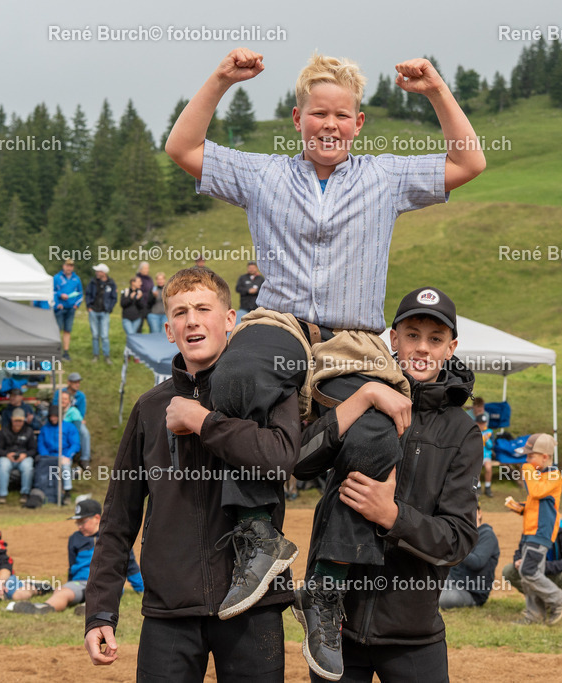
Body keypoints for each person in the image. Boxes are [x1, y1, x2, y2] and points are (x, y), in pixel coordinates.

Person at [165, 49, 485, 658]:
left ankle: (328, 588)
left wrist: (437, 89)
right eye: (319, 114)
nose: (330, 125)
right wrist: (222, 80)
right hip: (281, 323)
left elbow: (470, 159)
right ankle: (259, 535)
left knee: (376, 439)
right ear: (297, 118)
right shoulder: (263, 176)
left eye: (342, 115)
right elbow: (183, 148)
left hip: (353, 339)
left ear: (358, 123)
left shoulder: (386, 177)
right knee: (239, 370)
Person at [84, 268, 299, 681]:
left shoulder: (267, 391)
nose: (192, 320)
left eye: (203, 308)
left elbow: (280, 459)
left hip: (253, 605)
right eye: (181, 312)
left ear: (231, 320)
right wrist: (100, 612)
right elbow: (118, 519)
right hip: (169, 610)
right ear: (168, 329)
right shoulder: (149, 409)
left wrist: (203, 421)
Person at [292, 286, 481, 680]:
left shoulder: (462, 432)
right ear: (393, 339)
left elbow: (458, 540)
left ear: (452, 347)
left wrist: (392, 516)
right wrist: (362, 396)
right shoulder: (357, 395)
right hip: (336, 628)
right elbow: (300, 462)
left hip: (413, 634)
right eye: (412, 335)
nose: (422, 348)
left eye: (435, 339)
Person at [9, 499, 143, 615]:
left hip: (107, 582)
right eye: (77, 523)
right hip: (81, 582)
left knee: (107, 592)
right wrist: (69, 584)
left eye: (82, 522)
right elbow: (72, 566)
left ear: (97, 518)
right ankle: (44, 607)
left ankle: (88, 608)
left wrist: (141, 589)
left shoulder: (114, 537)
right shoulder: (75, 538)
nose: (79, 526)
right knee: (63, 591)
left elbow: (130, 565)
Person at [504, 432, 562, 626]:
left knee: (528, 571)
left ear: (545, 457)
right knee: (528, 575)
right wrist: (519, 507)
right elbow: (535, 503)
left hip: (541, 533)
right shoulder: (539, 476)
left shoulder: (553, 476)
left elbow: (536, 492)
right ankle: (534, 615)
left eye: (531, 456)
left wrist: (527, 470)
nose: (527, 460)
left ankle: (558, 598)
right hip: (530, 531)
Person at [502, 519, 562, 618]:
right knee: (509, 571)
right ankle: (539, 602)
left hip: (557, 574)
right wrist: (518, 560)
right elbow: (520, 551)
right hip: (535, 573)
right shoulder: (531, 527)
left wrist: (543, 566)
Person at [439, 503, 500, 610]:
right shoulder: (463, 535)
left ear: (479, 513)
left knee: (440, 599)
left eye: (472, 511)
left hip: (472, 592)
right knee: (424, 589)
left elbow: (477, 562)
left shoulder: (487, 535)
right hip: (452, 582)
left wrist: (455, 548)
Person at [36, 402, 80, 505]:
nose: (53, 419)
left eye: (55, 416)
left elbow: (75, 444)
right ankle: (45, 494)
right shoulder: (45, 429)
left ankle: (67, 493)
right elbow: (41, 445)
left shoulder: (69, 427)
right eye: (51, 417)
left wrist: (68, 456)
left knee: (65, 466)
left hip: (64, 456)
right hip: (48, 457)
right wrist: (47, 457)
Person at [0, 408, 37, 504]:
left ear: (24, 420)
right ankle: (2, 494)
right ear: (11, 419)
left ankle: (25, 493)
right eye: (16, 421)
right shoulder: (4, 431)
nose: (18, 423)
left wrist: (25, 455)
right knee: (3, 465)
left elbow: (33, 450)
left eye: (20, 421)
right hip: (8, 457)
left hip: (23, 457)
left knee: (28, 467)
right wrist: (7, 454)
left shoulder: (29, 431)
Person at [55, 373, 91, 468]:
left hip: (75, 419)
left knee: (84, 433)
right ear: (69, 383)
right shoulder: (60, 393)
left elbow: (82, 412)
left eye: (78, 382)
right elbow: (55, 406)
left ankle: (85, 458)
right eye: (75, 382)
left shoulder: (81, 396)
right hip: (61, 418)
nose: (77, 384)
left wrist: (79, 418)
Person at [86, 263, 117, 365]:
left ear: (103, 273)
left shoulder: (111, 283)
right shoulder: (92, 282)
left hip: (104, 313)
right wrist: (89, 307)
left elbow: (114, 297)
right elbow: (88, 294)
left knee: (104, 336)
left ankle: (106, 356)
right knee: (95, 335)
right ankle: (96, 355)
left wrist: (109, 308)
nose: (96, 273)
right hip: (93, 311)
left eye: (98, 271)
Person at [53, 258, 83, 361]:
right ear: (63, 266)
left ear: (73, 267)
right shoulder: (57, 278)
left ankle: (66, 352)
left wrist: (76, 305)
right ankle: (56, 352)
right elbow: (52, 292)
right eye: (67, 265)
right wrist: (60, 297)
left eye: (71, 266)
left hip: (71, 308)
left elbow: (80, 294)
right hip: (60, 308)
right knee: (57, 330)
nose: (68, 268)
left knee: (67, 330)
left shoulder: (76, 279)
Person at [59, 390, 90, 469]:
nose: (63, 401)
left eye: (65, 399)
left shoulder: (73, 411)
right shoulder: (55, 410)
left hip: (70, 433)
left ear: (69, 401)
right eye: (61, 398)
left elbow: (78, 427)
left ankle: (84, 459)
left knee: (84, 433)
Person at [120, 277, 144, 347]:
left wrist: (138, 299)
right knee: (131, 335)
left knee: (133, 337)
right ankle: (129, 355)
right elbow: (122, 304)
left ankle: (131, 355)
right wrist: (130, 298)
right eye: (139, 281)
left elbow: (142, 306)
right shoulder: (125, 291)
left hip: (137, 318)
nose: (141, 283)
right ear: (133, 282)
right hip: (127, 318)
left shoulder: (140, 293)